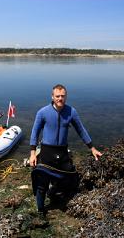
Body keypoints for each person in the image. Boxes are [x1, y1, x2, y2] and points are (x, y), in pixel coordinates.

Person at [29, 84, 102, 216]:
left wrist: (92, 148)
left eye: (63, 96)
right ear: (52, 97)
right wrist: (33, 154)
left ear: (66, 97)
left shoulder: (71, 112)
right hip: (47, 151)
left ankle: (53, 192)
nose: (60, 99)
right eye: (57, 96)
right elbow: (34, 132)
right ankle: (41, 210)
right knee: (41, 184)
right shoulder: (42, 112)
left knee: (71, 178)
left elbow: (81, 130)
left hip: (62, 152)